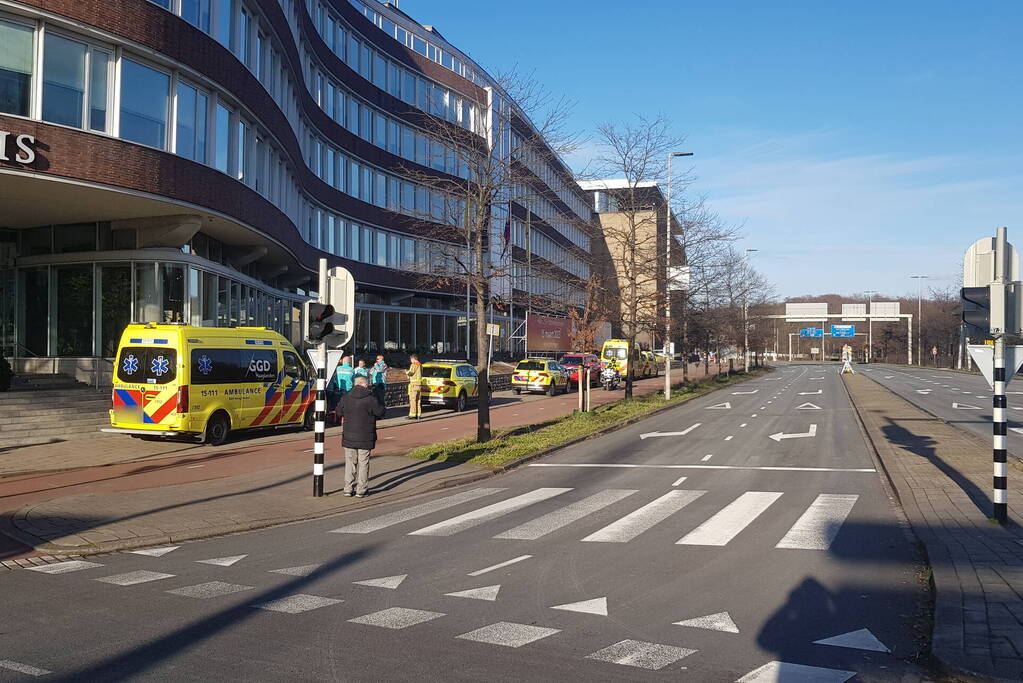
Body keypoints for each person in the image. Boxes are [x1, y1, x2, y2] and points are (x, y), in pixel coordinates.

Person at [335, 375, 385, 497]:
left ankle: (348, 488)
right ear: (365, 384)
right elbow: (381, 412)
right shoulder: (370, 398)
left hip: (349, 435)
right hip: (365, 435)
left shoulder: (346, 397)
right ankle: (361, 489)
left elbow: (338, 412)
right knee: (364, 462)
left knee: (350, 462)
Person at [406, 354, 423, 420]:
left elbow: (411, 373)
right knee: (418, 400)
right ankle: (418, 414)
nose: (410, 361)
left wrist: (406, 372)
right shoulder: (420, 365)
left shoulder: (414, 364)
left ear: (413, 359)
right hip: (419, 384)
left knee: (413, 400)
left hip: (414, 384)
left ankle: (413, 415)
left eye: (411, 359)